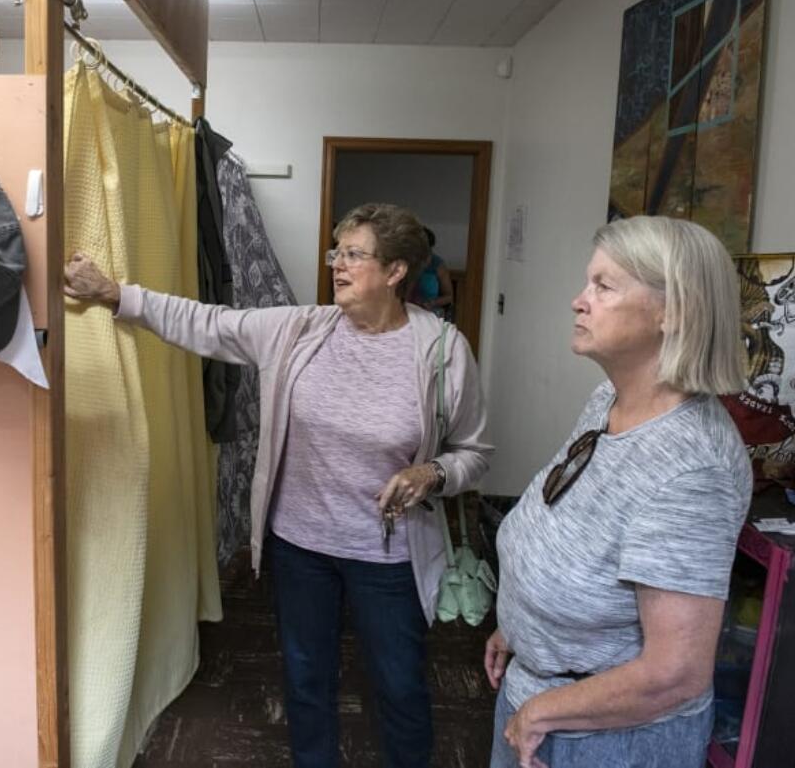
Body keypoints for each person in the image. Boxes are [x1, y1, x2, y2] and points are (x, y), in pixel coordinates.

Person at [65, 202, 492, 768]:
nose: (338, 265)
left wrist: (431, 472)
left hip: (386, 557)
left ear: (395, 272)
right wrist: (116, 294)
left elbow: (475, 454)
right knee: (306, 678)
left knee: (400, 686)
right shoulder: (299, 329)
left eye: (354, 255)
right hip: (300, 548)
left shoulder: (442, 352)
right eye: (336, 253)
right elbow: (207, 323)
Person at [485, 215, 752, 768]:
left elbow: (673, 675)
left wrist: (539, 710)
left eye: (603, 286)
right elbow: (566, 523)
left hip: (608, 742)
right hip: (542, 696)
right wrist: (520, 626)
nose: (579, 301)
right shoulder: (609, 399)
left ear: (672, 310)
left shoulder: (691, 470)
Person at [410, 227, 453, 318]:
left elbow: (449, 296)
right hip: (409, 308)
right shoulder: (406, 262)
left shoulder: (438, 265)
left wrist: (432, 303)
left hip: (430, 309)